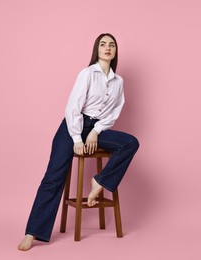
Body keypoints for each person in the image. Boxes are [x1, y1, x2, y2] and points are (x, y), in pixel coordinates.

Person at [18, 33, 139, 251]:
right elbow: (73, 107)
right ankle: (32, 232)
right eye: (103, 44)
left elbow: (114, 111)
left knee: (130, 143)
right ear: (97, 49)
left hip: (95, 128)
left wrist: (96, 131)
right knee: (54, 177)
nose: (107, 48)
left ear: (115, 52)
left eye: (112, 45)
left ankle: (100, 182)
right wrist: (76, 137)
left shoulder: (118, 81)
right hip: (72, 125)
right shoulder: (87, 73)